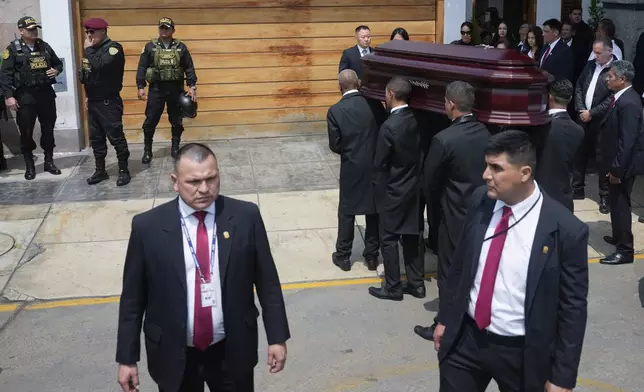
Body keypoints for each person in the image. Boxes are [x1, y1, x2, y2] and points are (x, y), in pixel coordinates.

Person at [116, 143, 290, 392]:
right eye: (194, 182)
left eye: (211, 178)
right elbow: (133, 298)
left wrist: (277, 338)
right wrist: (127, 358)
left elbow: (268, 283)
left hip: (231, 352)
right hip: (174, 355)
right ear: (175, 181)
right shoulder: (148, 227)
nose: (204, 189)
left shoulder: (245, 217)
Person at [434, 130, 589, 392]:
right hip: (467, 340)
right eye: (486, 165)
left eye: (496, 168)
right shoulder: (480, 201)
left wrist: (563, 376)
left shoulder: (566, 230)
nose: (485, 175)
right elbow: (460, 265)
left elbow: (573, 307)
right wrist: (445, 318)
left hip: (521, 352)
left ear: (525, 173)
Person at [414, 81, 490, 341]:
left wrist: (434, 216)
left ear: (451, 105)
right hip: (481, 214)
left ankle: (445, 325)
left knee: (448, 274)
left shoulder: (443, 139)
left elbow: (429, 183)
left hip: (452, 216)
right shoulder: (485, 133)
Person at [369, 77, 424, 301]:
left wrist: (379, 195)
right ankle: (416, 284)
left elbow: (380, 165)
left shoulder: (389, 127)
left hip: (393, 190)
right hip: (414, 188)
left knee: (389, 238)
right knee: (412, 236)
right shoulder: (418, 120)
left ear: (391, 94)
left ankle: (392, 287)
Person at [327, 69, 380, 271]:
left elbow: (335, 145)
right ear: (358, 83)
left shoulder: (335, 111)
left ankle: (343, 256)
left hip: (351, 166)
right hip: (375, 164)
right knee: (373, 211)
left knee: (347, 212)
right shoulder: (374, 105)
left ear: (340, 87)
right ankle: (372, 256)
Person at [0, 16, 62, 180]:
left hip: (46, 94)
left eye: (35, 28)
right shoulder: (13, 50)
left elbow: (58, 64)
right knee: (26, 133)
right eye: (30, 29)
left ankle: (49, 162)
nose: (34, 31)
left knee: (48, 130)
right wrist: (9, 97)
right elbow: (5, 76)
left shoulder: (44, 46)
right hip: (25, 96)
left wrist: (56, 71)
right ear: (21, 31)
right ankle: (30, 166)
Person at [599, 60, 644, 265]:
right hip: (615, 162)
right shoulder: (620, 98)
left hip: (622, 165)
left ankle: (625, 250)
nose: (608, 79)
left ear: (622, 79)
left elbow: (628, 140)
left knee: (620, 205)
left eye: (611, 76)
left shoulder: (629, 103)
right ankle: (618, 236)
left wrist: (617, 169)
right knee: (616, 203)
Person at [137, 17, 197, 162]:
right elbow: (142, 67)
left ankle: (175, 148)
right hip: (156, 89)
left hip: (176, 89)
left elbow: (189, 67)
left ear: (173, 30)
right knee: (151, 120)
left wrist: (192, 86)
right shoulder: (150, 47)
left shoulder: (181, 47)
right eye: (161, 27)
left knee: (176, 120)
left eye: (167, 28)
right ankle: (147, 151)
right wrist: (140, 86)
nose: (164, 30)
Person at [80, 18, 131, 186]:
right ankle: (100, 170)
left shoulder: (113, 49)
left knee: (116, 137)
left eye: (92, 32)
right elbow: (88, 75)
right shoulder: (92, 51)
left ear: (103, 31)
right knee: (96, 139)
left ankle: (124, 170)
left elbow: (101, 66)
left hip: (109, 102)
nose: (89, 35)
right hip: (94, 101)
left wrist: (88, 51)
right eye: (87, 32)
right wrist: (88, 95)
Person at [573, 38, 614, 211]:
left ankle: (604, 196)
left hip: (601, 121)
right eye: (594, 52)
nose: (595, 56)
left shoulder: (615, 70)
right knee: (579, 153)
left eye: (598, 53)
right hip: (583, 117)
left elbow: (612, 98)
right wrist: (582, 109)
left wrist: (592, 113)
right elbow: (579, 87)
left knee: (602, 159)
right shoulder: (590, 65)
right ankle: (577, 188)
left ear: (609, 52)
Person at [536, 79, 584, 212]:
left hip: (539, 197)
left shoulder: (540, 127)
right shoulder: (578, 131)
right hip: (564, 197)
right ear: (570, 99)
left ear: (550, 96)